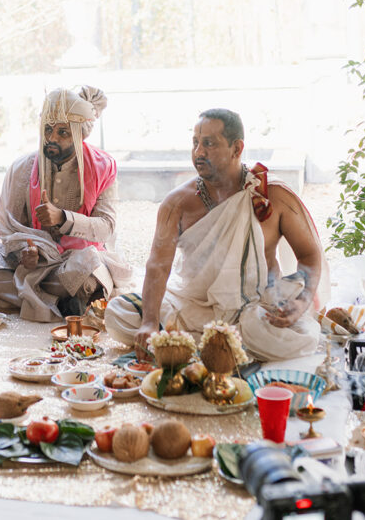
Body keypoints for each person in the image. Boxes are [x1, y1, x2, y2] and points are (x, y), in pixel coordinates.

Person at [105, 109, 327, 362]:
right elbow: (157, 265)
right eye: (195, 143)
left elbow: (310, 254)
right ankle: (219, 346)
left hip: (255, 308)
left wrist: (302, 301)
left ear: (237, 148)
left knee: (293, 336)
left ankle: (190, 343)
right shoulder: (177, 202)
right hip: (193, 304)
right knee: (118, 313)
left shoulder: (272, 195)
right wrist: (149, 322)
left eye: (209, 144)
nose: (199, 153)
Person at [0, 85, 131, 321]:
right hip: (35, 264)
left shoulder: (104, 166)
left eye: (63, 133)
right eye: (48, 129)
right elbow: (8, 227)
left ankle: (32, 297)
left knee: (89, 276)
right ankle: (58, 302)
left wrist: (63, 219)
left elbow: (106, 227)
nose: (51, 139)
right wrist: (23, 254)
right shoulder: (23, 168)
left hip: (81, 258)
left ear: (80, 133)